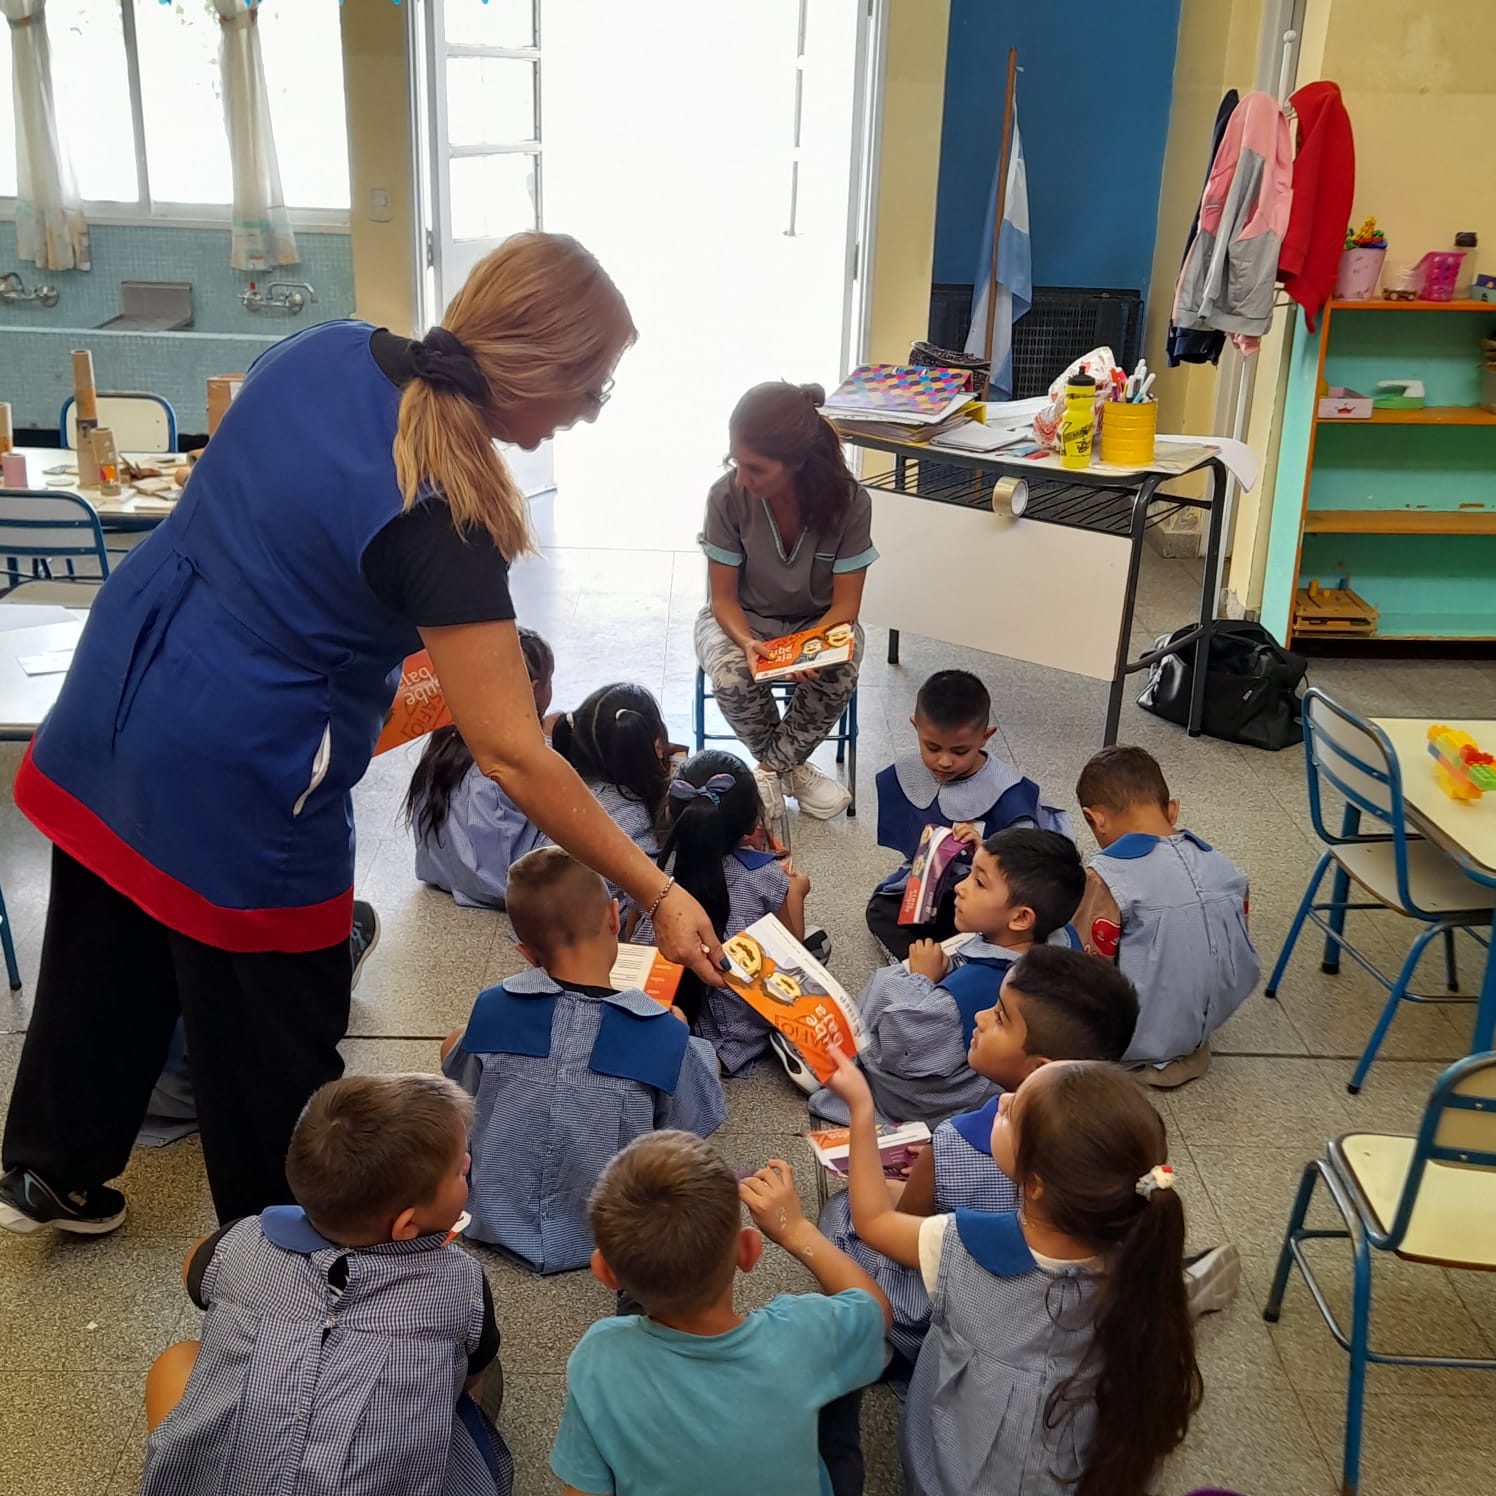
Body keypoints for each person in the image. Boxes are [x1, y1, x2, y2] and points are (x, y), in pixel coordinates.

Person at [0, 233, 729, 1237]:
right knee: (272, 1034)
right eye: (591, 387)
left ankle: (52, 1167)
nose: (587, 412)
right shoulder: (449, 516)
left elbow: (278, 519)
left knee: (108, 934)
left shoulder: (329, 346)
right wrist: (658, 887)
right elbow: (513, 751)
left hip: (124, 679)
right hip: (243, 768)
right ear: (538, 370)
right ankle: (290, 1269)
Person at [826, 1052, 1202, 1496]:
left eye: (1012, 1112)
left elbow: (872, 1221)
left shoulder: (964, 1245)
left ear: (1036, 1184)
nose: (1001, 1101)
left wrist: (861, 1108)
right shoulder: (1140, 1258)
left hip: (959, 1470)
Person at [139, 1073, 513, 1496]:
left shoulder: (241, 1241)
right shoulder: (460, 1283)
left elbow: (193, 1269)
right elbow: (469, 1375)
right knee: (475, 1382)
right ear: (406, 1225)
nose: (468, 1167)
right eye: (460, 1170)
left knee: (178, 1358)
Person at [819, 944, 1140, 1365]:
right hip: (1044, 1322)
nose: (980, 1017)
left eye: (1001, 1017)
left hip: (943, 1316)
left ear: (1038, 1068)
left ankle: (885, 1346)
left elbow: (890, 1231)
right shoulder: (1118, 1151)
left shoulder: (954, 1144)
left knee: (839, 1215)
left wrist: (861, 1109)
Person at [549, 1130, 891, 1496]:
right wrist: (797, 1231)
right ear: (749, 1251)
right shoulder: (806, 1333)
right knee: (840, 1366)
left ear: (604, 1272)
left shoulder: (598, 1359)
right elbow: (876, 1310)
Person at [441, 848, 726, 1273]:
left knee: (458, 1044)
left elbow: (460, 1089)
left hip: (490, 1218)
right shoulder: (660, 1033)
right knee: (696, 1064)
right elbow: (691, 1126)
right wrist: (680, 1034)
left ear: (525, 952)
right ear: (613, 918)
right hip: (614, 1234)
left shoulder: (493, 1010)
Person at [811, 828, 1087, 1126]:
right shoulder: (1063, 942)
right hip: (1002, 1079)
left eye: (979, 882)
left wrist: (921, 980)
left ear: (1021, 917)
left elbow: (900, 1048)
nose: (961, 887)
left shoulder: (969, 990)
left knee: (888, 982)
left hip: (925, 1102)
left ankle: (831, 1062)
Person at [695, 381, 877, 829]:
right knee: (731, 677)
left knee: (841, 667)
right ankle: (790, 769)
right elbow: (722, 599)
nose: (742, 479)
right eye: (736, 463)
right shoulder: (726, 497)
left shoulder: (851, 502)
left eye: (755, 468)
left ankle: (768, 771)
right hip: (739, 619)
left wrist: (804, 648)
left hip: (820, 620)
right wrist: (748, 642)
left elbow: (846, 606)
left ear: (797, 463)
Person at [1074, 745, 1260, 1086]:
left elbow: (1088, 965)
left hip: (1130, 1041)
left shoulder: (1106, 876)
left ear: (1095, 819)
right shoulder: (1226, 869)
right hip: (1208, 1022)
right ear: (1172, 810)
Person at [630, 750, 818, 1075]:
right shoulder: (765, 876)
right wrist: (796, 892)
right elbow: (791, 952)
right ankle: (710, 1061)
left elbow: (630, 938)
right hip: (735, 1033)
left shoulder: (649, 870)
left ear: (672, 812)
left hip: (654, 1009)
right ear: (751, 822)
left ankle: (682, 1055)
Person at [868, 670, 1071, 959]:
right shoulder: (906, 773)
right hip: (934, 889)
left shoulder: (1010, 795)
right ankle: (922, 962)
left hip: (984, 895)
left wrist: (983, 851)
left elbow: (1030, 873)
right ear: (916, 727)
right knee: (881, 911)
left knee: (996, 929)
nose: (944, 761)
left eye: (960, 751)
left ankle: (946, 964)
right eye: (932, 747)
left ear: (985, 737)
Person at [408, 627, 554, 909]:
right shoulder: (524, 755)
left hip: (437, 873)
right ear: (535, 690)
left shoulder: (444, 740)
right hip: (498, 886)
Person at [546, 682, 674, 900]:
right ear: (658, 745)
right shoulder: (642, 821)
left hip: (538, 908)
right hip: (602, 918)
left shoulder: (565, 798)